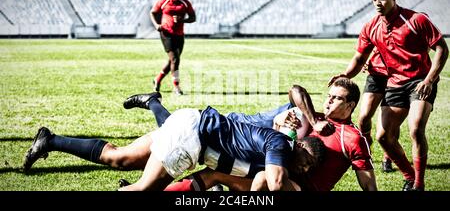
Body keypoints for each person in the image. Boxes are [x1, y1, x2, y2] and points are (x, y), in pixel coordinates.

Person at [124, 77, 377, 191]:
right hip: (255, 143)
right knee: (203, 158)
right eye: (329, 96)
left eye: (338, 98)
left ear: (351, 105)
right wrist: (295, 121)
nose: (330, 101)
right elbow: (295, 91)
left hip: (290, 181)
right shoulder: (310, 115)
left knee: (252, 179)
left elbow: (368, 184)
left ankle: (153, 104)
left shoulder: (353, 138)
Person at [23, 107, 325, 191]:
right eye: (307, 161)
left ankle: (49, 140)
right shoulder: (279, 144)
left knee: (119, 158)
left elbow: (258, 183)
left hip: (188, 123)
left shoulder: (270, 151)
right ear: (297, 144)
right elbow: (274, 183)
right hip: (191, 137)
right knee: (143, 190)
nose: (305, 168)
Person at [329, 0, 448, 191]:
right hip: (394, 83)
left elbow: (442, 49)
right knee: (383, 136)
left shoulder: (416, 20)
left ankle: (418, 184)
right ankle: (409, 176)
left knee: (416, 128)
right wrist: (345, 76)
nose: (378, 2)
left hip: (420, 80)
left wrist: (430, 79)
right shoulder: (371, 26)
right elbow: (359, 58)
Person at [150, 0, 196, 95]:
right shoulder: (163, 1)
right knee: (175, 59)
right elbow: (152, 12)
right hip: (166, 34)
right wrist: (156, 25)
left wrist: (182, 20)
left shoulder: (184, 3)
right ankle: (176, 87)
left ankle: (157, 79)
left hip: (179, 35)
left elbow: (193, 18)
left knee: (173, 60)